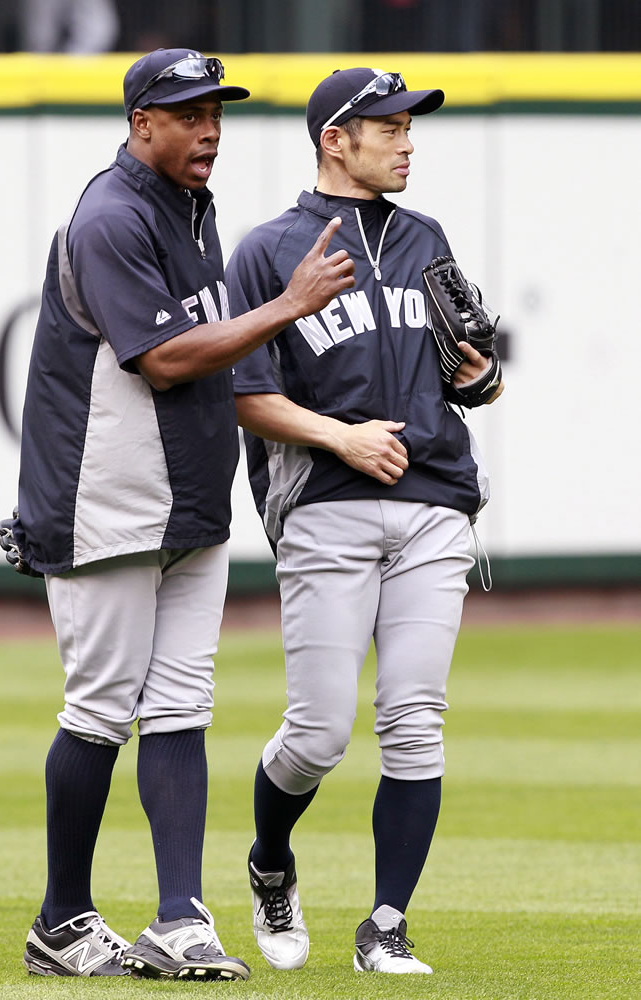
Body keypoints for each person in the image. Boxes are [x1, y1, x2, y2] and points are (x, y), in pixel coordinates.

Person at [2, 47, 354, 982]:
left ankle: (180, 919)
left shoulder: (189, 208)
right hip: (104, 499)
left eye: (216, 111)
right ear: (140, 122)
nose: (208, 128)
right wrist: (288, 305)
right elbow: (161, 359)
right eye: (187, 112)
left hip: (188, 502)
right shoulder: (111, 215)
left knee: (181, 710)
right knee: (98, 713)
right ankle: (62, 921)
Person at [225, 66, 504, 975]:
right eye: (387, 126)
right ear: (333, 140)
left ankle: (384, 923)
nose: (407, 139)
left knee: (414, 720)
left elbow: (469, 372)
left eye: (408, 125)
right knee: (316, 735)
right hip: (326, 507)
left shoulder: (425, 237)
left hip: (432, 504)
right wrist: (341, 440)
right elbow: (244, 393)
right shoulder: (269, 250)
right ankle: (272, 862)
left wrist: (480, 382)